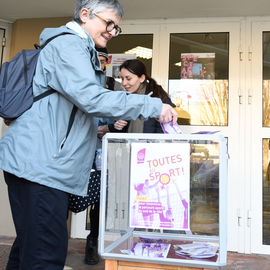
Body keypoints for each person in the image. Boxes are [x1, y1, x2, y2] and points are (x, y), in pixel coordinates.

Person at [0, 0, 177, 269]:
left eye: (116, 27)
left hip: (38, 163)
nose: (112, 31)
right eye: (109, 23)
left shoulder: (78, 48)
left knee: (30, 249)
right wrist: (152, 105)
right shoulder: (69, 45)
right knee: (44, 256)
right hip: (42, 166)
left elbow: (75, 111)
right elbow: (91, 98)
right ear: (85, 14)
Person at [114, 59, 175, 133]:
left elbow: (165, 131)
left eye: (128, 78)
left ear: (142, 78)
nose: (123, 83)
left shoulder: (159, 98)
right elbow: (126, 127)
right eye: (122, 79)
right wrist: (118, 125)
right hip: (130, 144)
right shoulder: (127, 98)